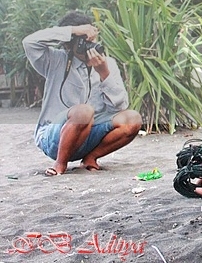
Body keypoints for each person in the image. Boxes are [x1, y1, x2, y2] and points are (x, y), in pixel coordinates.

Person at [22, 11, 142, 176]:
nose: (88, 46)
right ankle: (60, 164)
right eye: (81, 42)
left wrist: (104, 74)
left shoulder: (107, 64)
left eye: (90, 40)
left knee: (133, 118)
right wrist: (73, 31)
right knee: (84, 111)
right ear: (68, 45)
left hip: (89, 136)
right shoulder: (55, 60)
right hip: (54, 137)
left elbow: (120, 107)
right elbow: (29, 42)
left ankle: (90, 158)